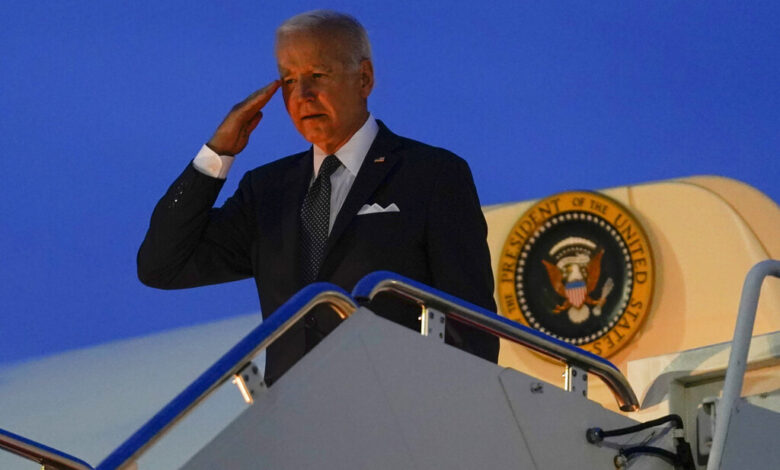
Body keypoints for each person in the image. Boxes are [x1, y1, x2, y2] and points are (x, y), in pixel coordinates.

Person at [138, 10, 498, 385]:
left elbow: (471, 324)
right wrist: (216, 153)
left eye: (317, 75)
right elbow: (161, 266)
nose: (302, 95)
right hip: (293, 414)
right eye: (289, 80)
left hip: (396, 410)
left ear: (364, 78)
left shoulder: (432, 174)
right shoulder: (266, 190)